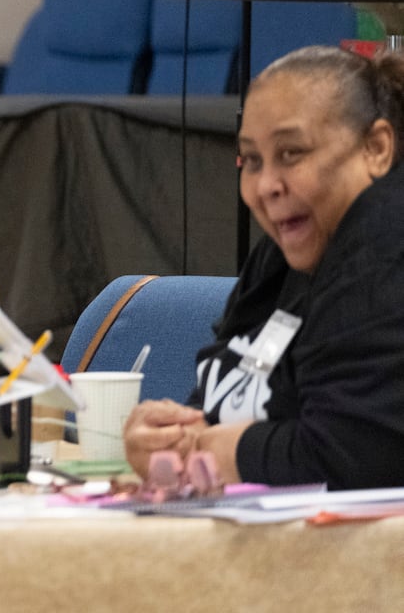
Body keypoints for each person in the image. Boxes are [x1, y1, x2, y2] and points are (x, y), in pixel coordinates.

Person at [123, 45, 404, 489]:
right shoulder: (284, 254)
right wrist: (167, 437)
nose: (266, 186)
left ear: (377, 147)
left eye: (291, 153)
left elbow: (353, 455)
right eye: (251, 160)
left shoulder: (386, 247)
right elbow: (216, 404)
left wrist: (211, 449)